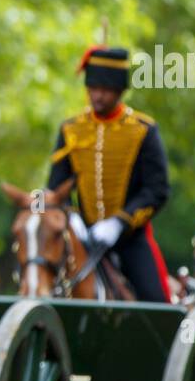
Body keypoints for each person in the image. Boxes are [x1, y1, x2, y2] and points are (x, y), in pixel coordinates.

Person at [46, 45, 172, 302]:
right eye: (93, 89)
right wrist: (70, 217)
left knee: (157, 302)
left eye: (105, 90)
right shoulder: (70, 129)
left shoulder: (143, 130)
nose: (97, 96)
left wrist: (119, 223)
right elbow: (52, 189)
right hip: (80, 238)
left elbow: (157, 190)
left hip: (129, 239)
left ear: (119, 91)